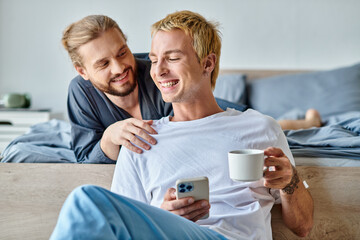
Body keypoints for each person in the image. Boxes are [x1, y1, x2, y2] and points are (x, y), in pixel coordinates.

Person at [51, 10, 313, 239]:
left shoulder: (260, 127)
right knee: (84, 202)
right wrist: (161, 217)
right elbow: (125, 226)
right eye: (153, 60)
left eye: (172, 58)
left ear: (207, 63)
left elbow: (303, 228)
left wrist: (290, 183)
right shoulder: (139, 140)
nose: (158, 71)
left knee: (85, 200)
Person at [61, 15, 321, 164]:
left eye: (122, 52)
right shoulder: (81, 94)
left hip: (204, 109)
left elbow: (192, 132)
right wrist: (109, 137)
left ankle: (306, 121)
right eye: (104, 63)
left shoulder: (159, 75)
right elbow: (84, 160)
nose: (120, 68)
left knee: (250, 119)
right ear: (82, 71)